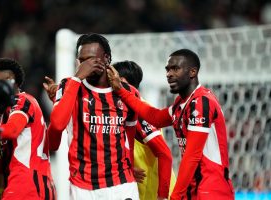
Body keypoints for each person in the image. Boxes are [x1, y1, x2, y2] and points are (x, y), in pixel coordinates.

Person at [107, 49, 235, 200]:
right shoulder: (181, 104)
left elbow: (192, 156)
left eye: (175, 69)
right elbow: (155, 117)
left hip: (211, 190)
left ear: (192, 72)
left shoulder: (201, 102)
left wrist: (171, 197)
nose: (169, 74)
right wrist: (122, 91)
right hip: (193, 189)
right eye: (167, 69)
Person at [46, 33, 139, 200]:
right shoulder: (68, 85)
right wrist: (77, 78)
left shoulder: (128, 92)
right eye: (82, 61)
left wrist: (131, 166)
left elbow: (129, 138)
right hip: (83, 187)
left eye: (91, 59)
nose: (85, 65)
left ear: (107, 58)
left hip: (122, 184)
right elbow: (58, 125)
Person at [0, 58, 56, 200]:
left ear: (9, 79)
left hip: (26, 185)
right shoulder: (6, 114)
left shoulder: (21, 100)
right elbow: (6, 163)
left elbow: (12, 130)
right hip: (30, 184)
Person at [112, 61, 175, 200]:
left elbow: (165, 154)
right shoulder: (122, 109)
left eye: (111, 79)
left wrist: (163, 196)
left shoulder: (139, 111)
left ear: (122, 81)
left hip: (156, 193)